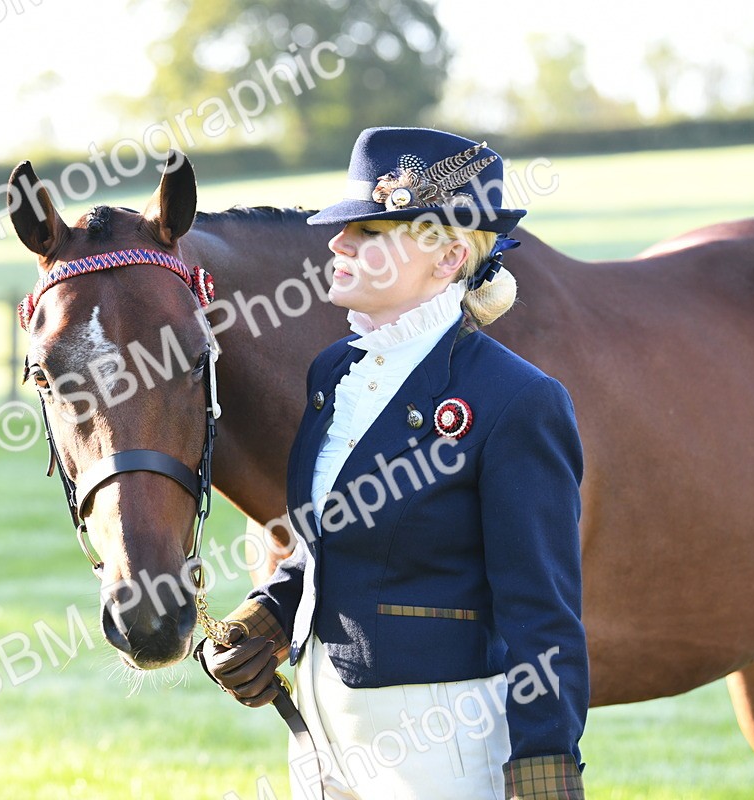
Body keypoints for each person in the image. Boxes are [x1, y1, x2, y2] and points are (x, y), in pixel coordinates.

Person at [195, 127, 589, 800]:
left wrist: (545, 767)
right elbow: (332, 541)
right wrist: (267, 616)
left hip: (446, 744)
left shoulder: (518, 400)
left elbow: (542, 613)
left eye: (373, 231)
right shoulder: (333, 373)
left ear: (449, 258)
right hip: (325, 733)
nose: (338, 244)